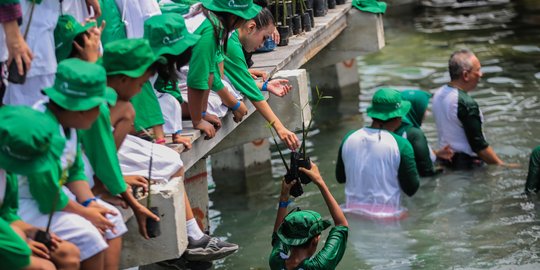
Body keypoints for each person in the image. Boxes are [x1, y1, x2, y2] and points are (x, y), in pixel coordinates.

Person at [19, 58, 125, 270]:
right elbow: (46, 192)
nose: (101, 113)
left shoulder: (68, 123)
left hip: (55, 198)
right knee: (89, 238)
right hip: (28, 201)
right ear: (81, 109)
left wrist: (89, 204)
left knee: (113, 222)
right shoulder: (41, 130)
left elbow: (75, 170)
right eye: (98, 107)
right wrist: (85, 213)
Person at [0, 106, 81, 270]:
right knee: (44, 268)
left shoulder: (7, 172)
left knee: (68, 253)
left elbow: (6, 212)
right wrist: (18, 246)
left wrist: (31, 230)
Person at [336, 88, 420, 219]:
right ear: (398, 117)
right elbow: (411, 188)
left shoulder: (349, 138)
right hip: (388, 218)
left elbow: (340, 178)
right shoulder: (402, 145)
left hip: (350, 215)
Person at [223, 6, 299, 150]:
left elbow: (242, 81)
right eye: (264, 38)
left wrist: (265, 85)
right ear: (251, 27)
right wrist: (279, 127)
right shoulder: (231, 43)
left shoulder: (230, 36)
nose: (263, 44)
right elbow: (251, 91)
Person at [185, 0, 261, 139]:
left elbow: (210, 71)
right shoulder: (209, 30)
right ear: (233, 17)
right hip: (162, 85)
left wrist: (202, 113)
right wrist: (198, 120)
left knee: (222, 97)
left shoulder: (210, 19)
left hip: (180, 77)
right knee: (219, 103)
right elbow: (197, 77)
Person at [432, 49, 516, 169]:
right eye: (478, 70)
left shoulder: (438, 93)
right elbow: (478, 145)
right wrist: (502, 165)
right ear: (465, 75)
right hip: (468, 167)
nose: (481, 74)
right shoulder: (466, 103)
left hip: (444, 161)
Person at [269, 162, 348, 269]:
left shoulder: (276, 262)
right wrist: (319, 181)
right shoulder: (318, 266)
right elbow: (341, 224)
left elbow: (278, 237)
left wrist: (284, 197)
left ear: (287, 238)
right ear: (315, 240)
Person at [394, 89, 453, 176]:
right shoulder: (414, 134)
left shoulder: (395, 128)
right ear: (415, 108)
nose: (427, 113)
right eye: (424, 109)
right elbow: (427, 171)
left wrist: (435, 154)